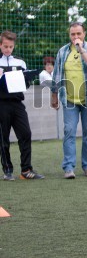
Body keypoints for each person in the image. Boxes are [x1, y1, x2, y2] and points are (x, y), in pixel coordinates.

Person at [51, 22, 87, 179]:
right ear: (69, 35)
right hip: (70, 100)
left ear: (84, 34)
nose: (76, 37)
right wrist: (54, 95)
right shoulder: (63, 51)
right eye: (73, 34)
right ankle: (68, 167)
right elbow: (57, 74)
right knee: (69, 132)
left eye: (79, 34)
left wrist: (82, 50)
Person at [0, 31, 45, 180]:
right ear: (0, 45)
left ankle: (26, 170)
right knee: (3, 138)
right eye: (5, 46)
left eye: (11, 46)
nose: (8, 49)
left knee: (26, 134)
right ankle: (7, 171)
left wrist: (26, 78)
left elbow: (25, 84)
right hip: (1, 104)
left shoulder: (20, 62)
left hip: (17, 103)